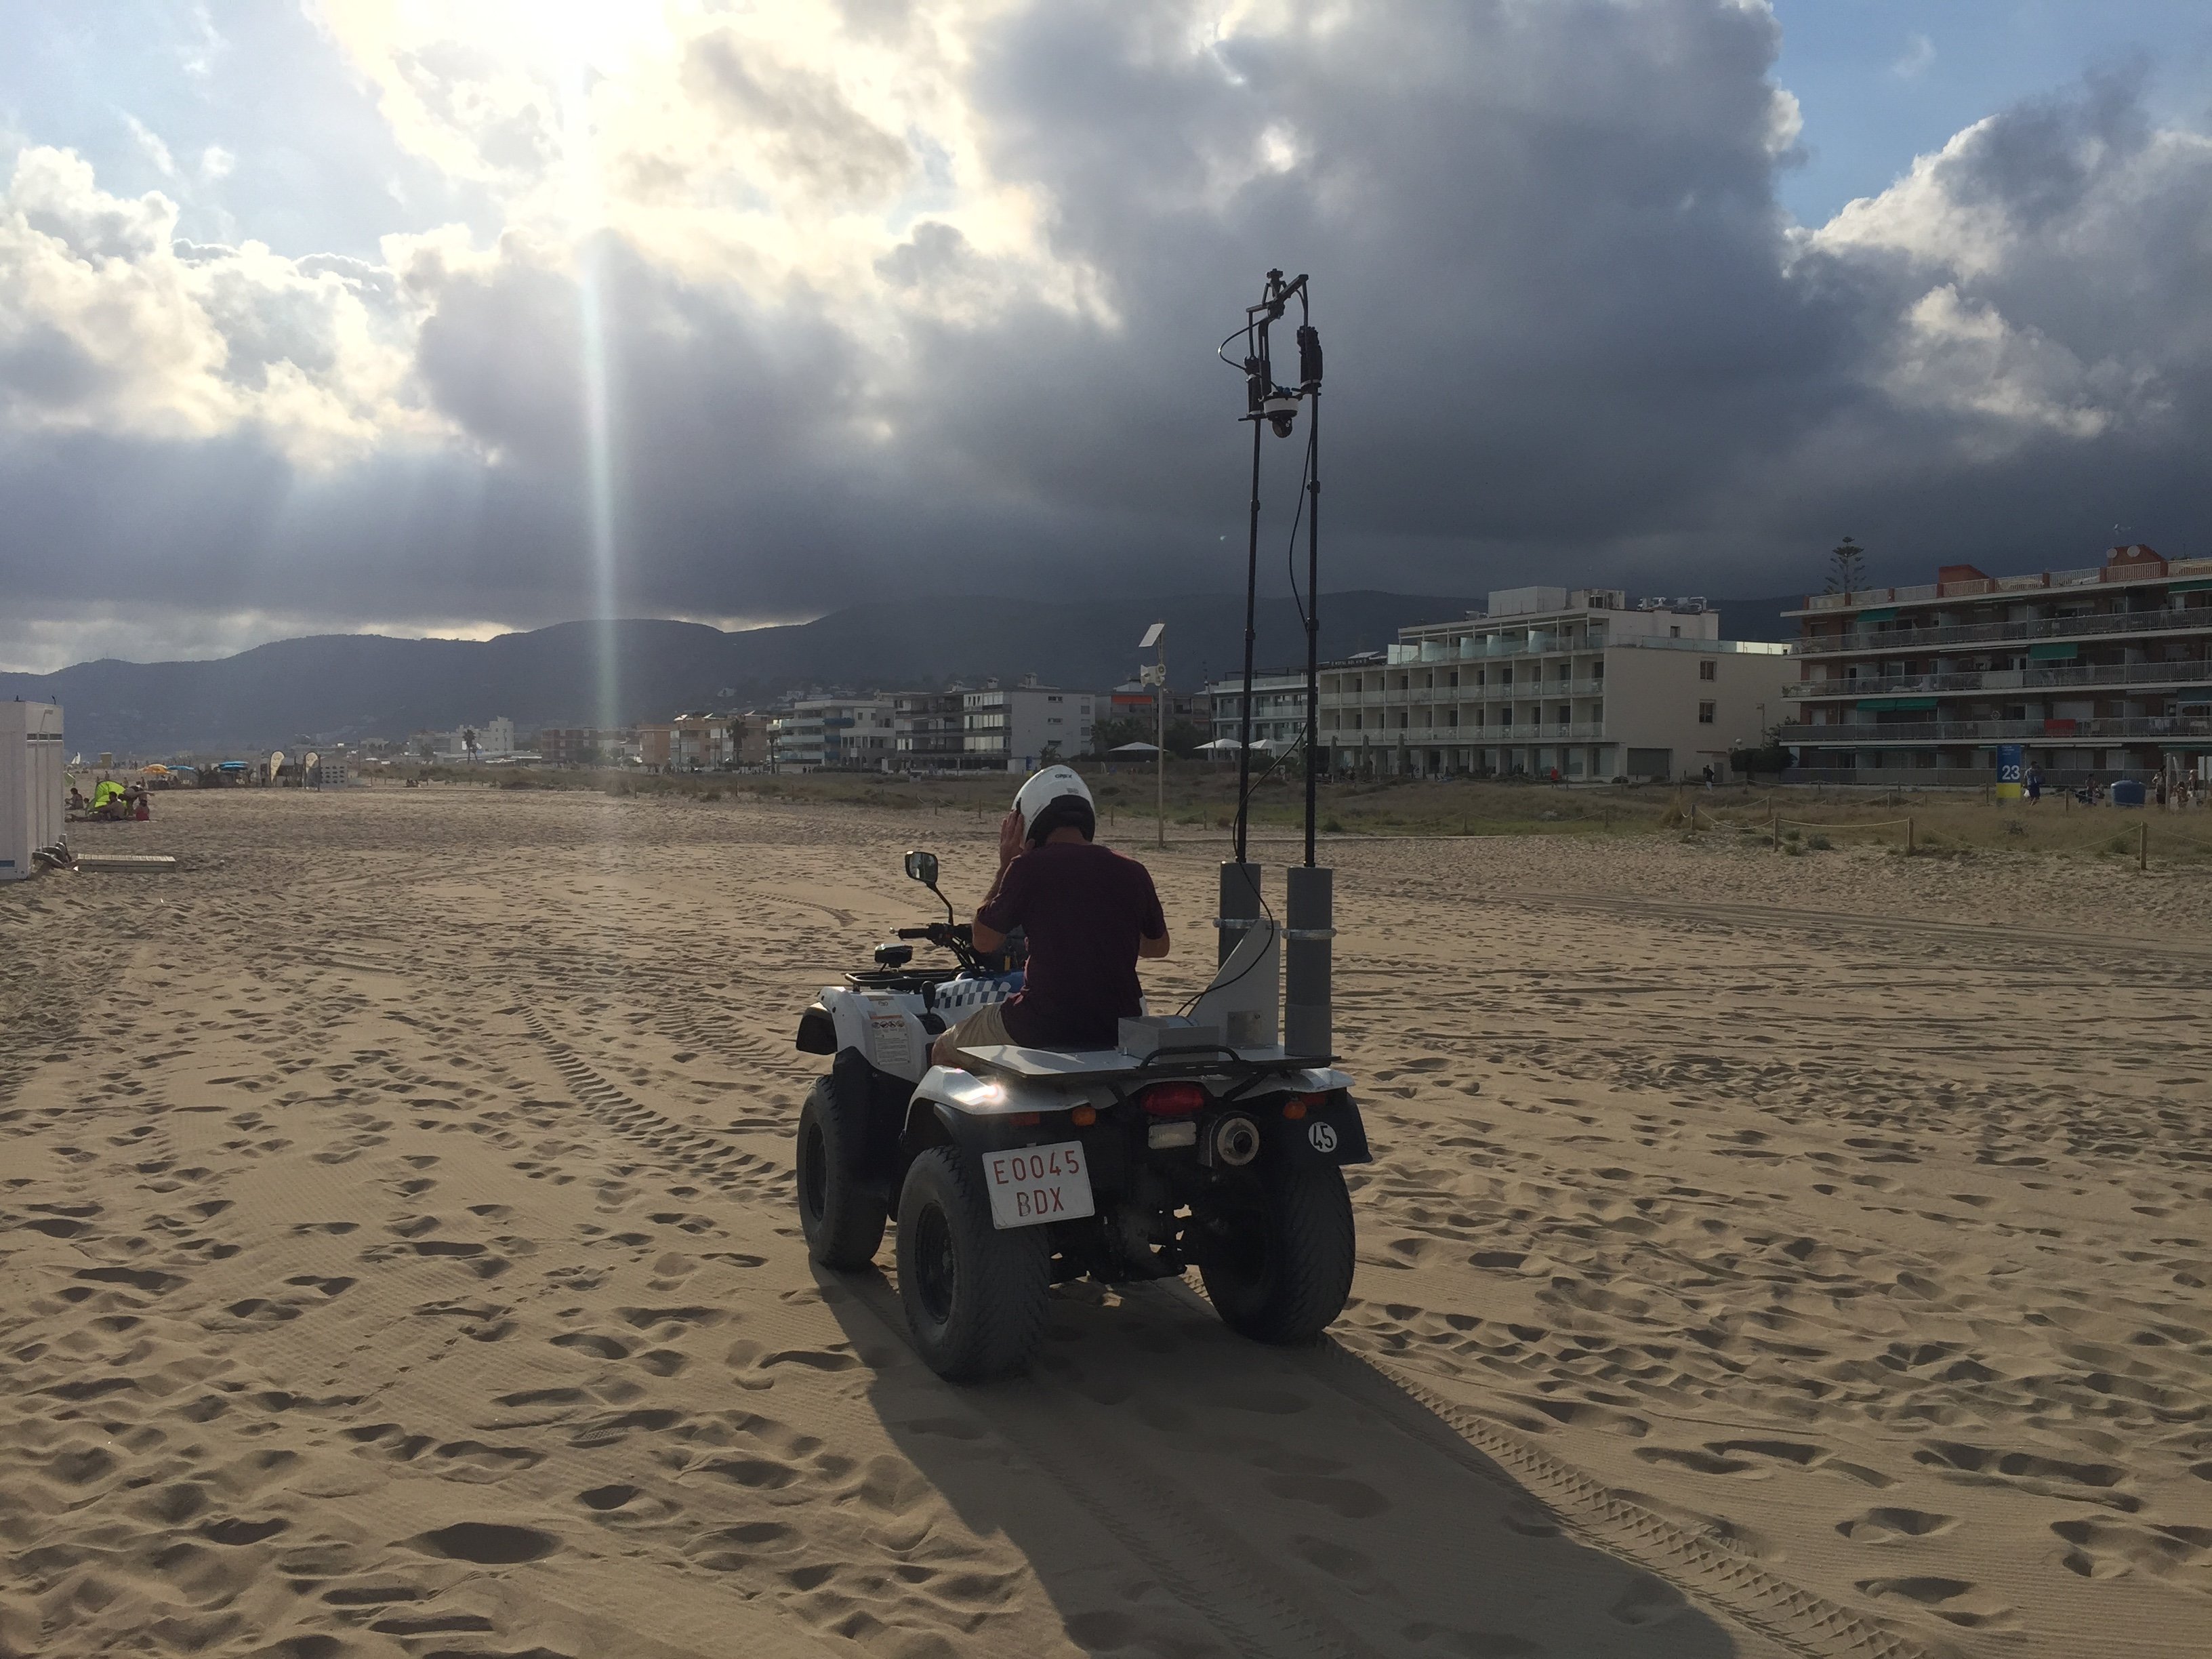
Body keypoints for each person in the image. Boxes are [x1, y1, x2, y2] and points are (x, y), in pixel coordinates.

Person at [929, 767, 1169, 1065]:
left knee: (944, 1048)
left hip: (1043, 1023)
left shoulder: (1028, 867)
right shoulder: (1133, 870)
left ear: (1027, 823)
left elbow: (984, 941)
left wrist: (1006, 864)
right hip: (1119, 1025)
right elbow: (1159, 948)